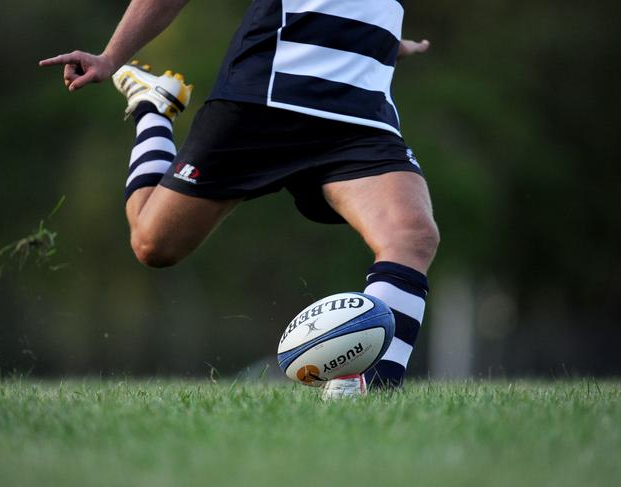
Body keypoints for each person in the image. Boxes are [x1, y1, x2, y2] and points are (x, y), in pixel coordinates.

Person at [40, 0, 440, 399]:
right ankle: (152, 108)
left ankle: (376, 395)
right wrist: (111, 57)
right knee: (153, 243)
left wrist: (382, 39)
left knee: (412, 235)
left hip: (360, 116)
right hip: (264, 100)